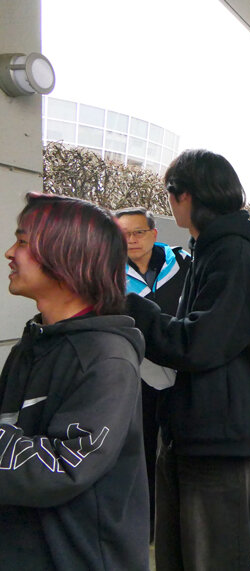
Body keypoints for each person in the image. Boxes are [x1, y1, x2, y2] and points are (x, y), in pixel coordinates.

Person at [126, 149, 250, 569]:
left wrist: (130, 306)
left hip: (218, 439)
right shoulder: (210, 249)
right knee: (183, 554)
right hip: (199, 430)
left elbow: (199, 343)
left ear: (186, 195)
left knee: (212, 556)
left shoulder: (230, 254)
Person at [0, 193, 149, 569]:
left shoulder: (107, 358)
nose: (9, 254)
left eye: (22, 242)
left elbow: (67, 467)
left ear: (67, 256)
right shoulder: (33, 344)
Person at [115, 206, 191, 541]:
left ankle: (186, 520)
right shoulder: (106, 271)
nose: (132, 240)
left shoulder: (184, 263)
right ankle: (148, 523)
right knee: (142, 448)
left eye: (139, 232)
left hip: (184, 369)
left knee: (185, 447)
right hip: (136, 374)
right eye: (124, 234)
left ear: (154, 234)